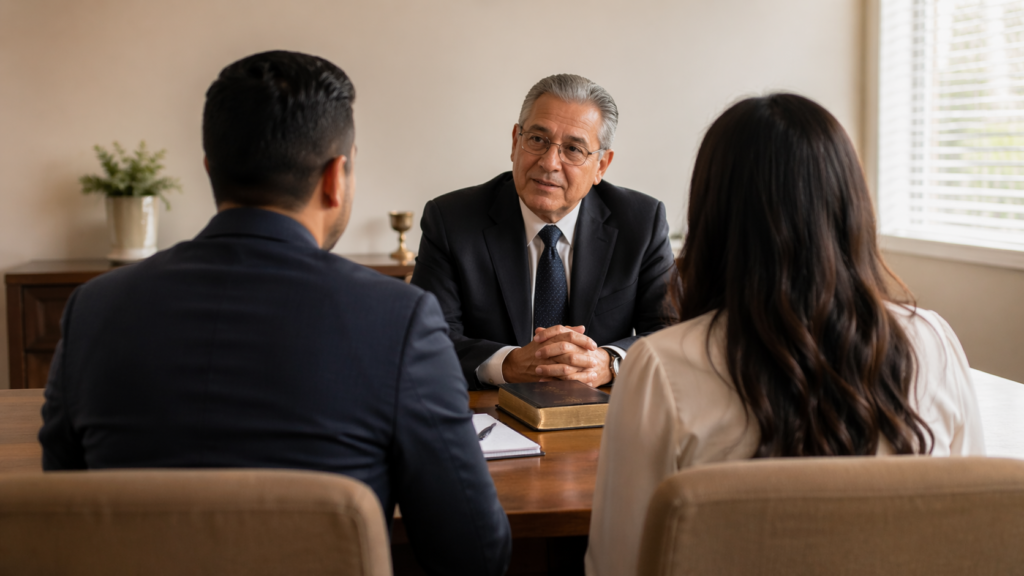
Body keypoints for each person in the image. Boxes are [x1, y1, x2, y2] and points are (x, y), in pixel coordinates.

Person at [38, 50, 511, 576]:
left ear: (209, 169)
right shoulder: (398, 321)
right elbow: (473, 553)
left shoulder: (94, 308)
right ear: (336, 176)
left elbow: (62, 520)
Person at [585, 93, 985, 576]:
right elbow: (969, 529)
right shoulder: (933, 341)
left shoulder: (662, 365)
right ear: (850, 204)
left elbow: (619, 563)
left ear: (712, 212)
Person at [411, 74, 675, 390]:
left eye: (574, 149)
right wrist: (508, 364)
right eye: (537, 140)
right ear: (515, 142)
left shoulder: (641, 222)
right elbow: (428, 338)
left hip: (599, 419)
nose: (549, 162)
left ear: (601, 166)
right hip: (490, 415)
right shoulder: (451, 220)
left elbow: (669, 333)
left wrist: (609, 362)